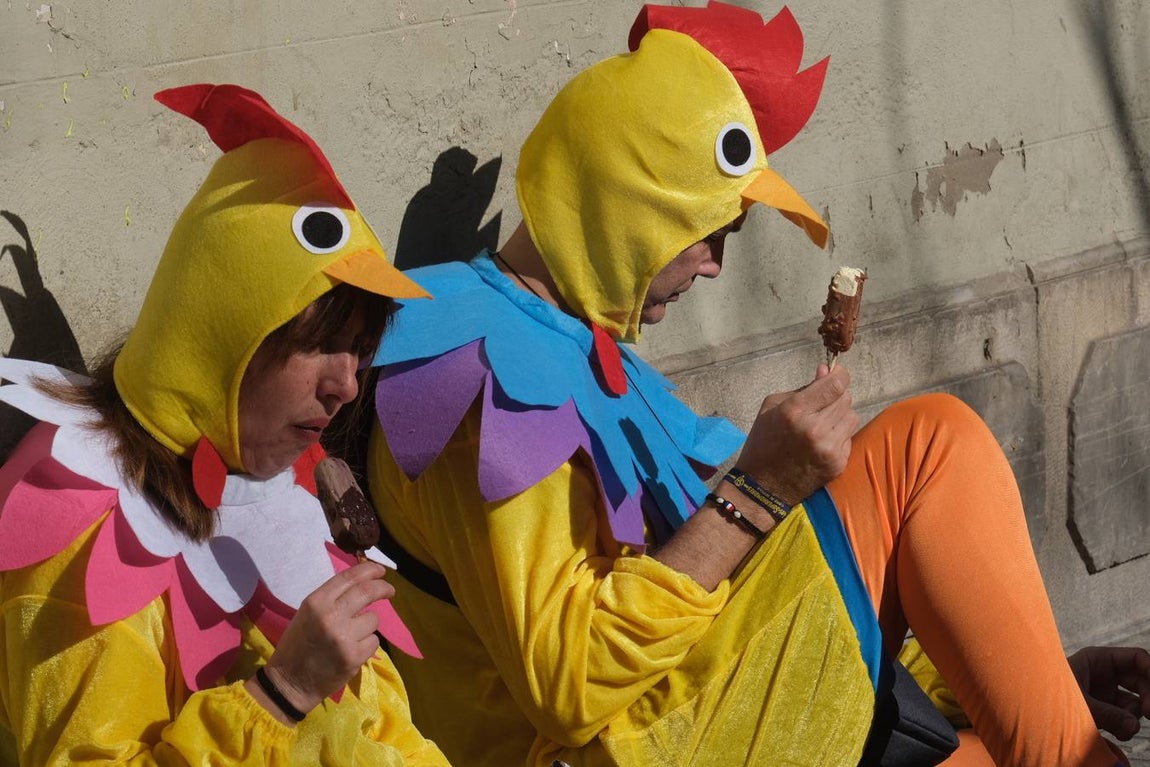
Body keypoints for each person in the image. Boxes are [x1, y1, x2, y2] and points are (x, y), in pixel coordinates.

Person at [363, 3, 1148, 766]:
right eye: (710, 233)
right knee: (926, 447)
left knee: (1000, 749)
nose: (714, 265)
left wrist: (1019, 678)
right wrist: (758, 489)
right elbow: (567, 687)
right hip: (623, 745)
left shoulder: (566, 341)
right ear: (635, 206)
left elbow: (720, 602)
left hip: (685, 719)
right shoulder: (484, 371)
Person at [0, 84, 448, 765]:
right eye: (315, 344)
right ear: (219, 336)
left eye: (359, 349)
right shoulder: (84, 529)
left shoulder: (287, 484)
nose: (348, 385)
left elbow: (383, 736)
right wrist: (281, 693)